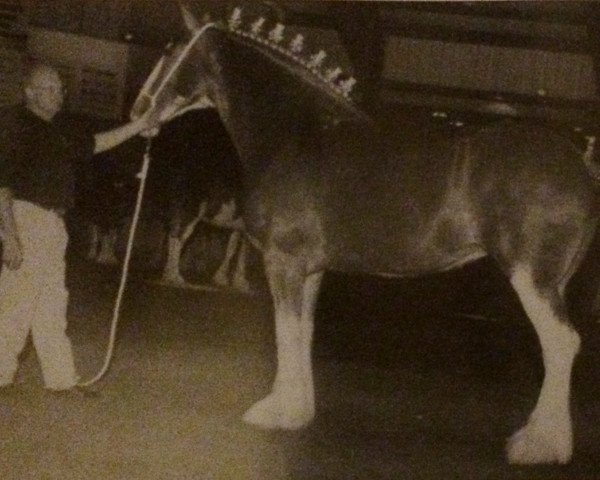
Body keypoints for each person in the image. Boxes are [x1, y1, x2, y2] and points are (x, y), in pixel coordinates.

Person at [0, 61, 159, 394]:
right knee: (16, 301)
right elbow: (3, 184)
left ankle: (61, 379)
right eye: (51, 89)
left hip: (54, 223)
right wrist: (9, 234)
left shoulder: (57, 129)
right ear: (29, 92)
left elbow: (96, 143)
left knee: (52, 304)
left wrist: (138, 126)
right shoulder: (14, 124)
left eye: (61, 88)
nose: (59, 95)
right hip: (26, 217)